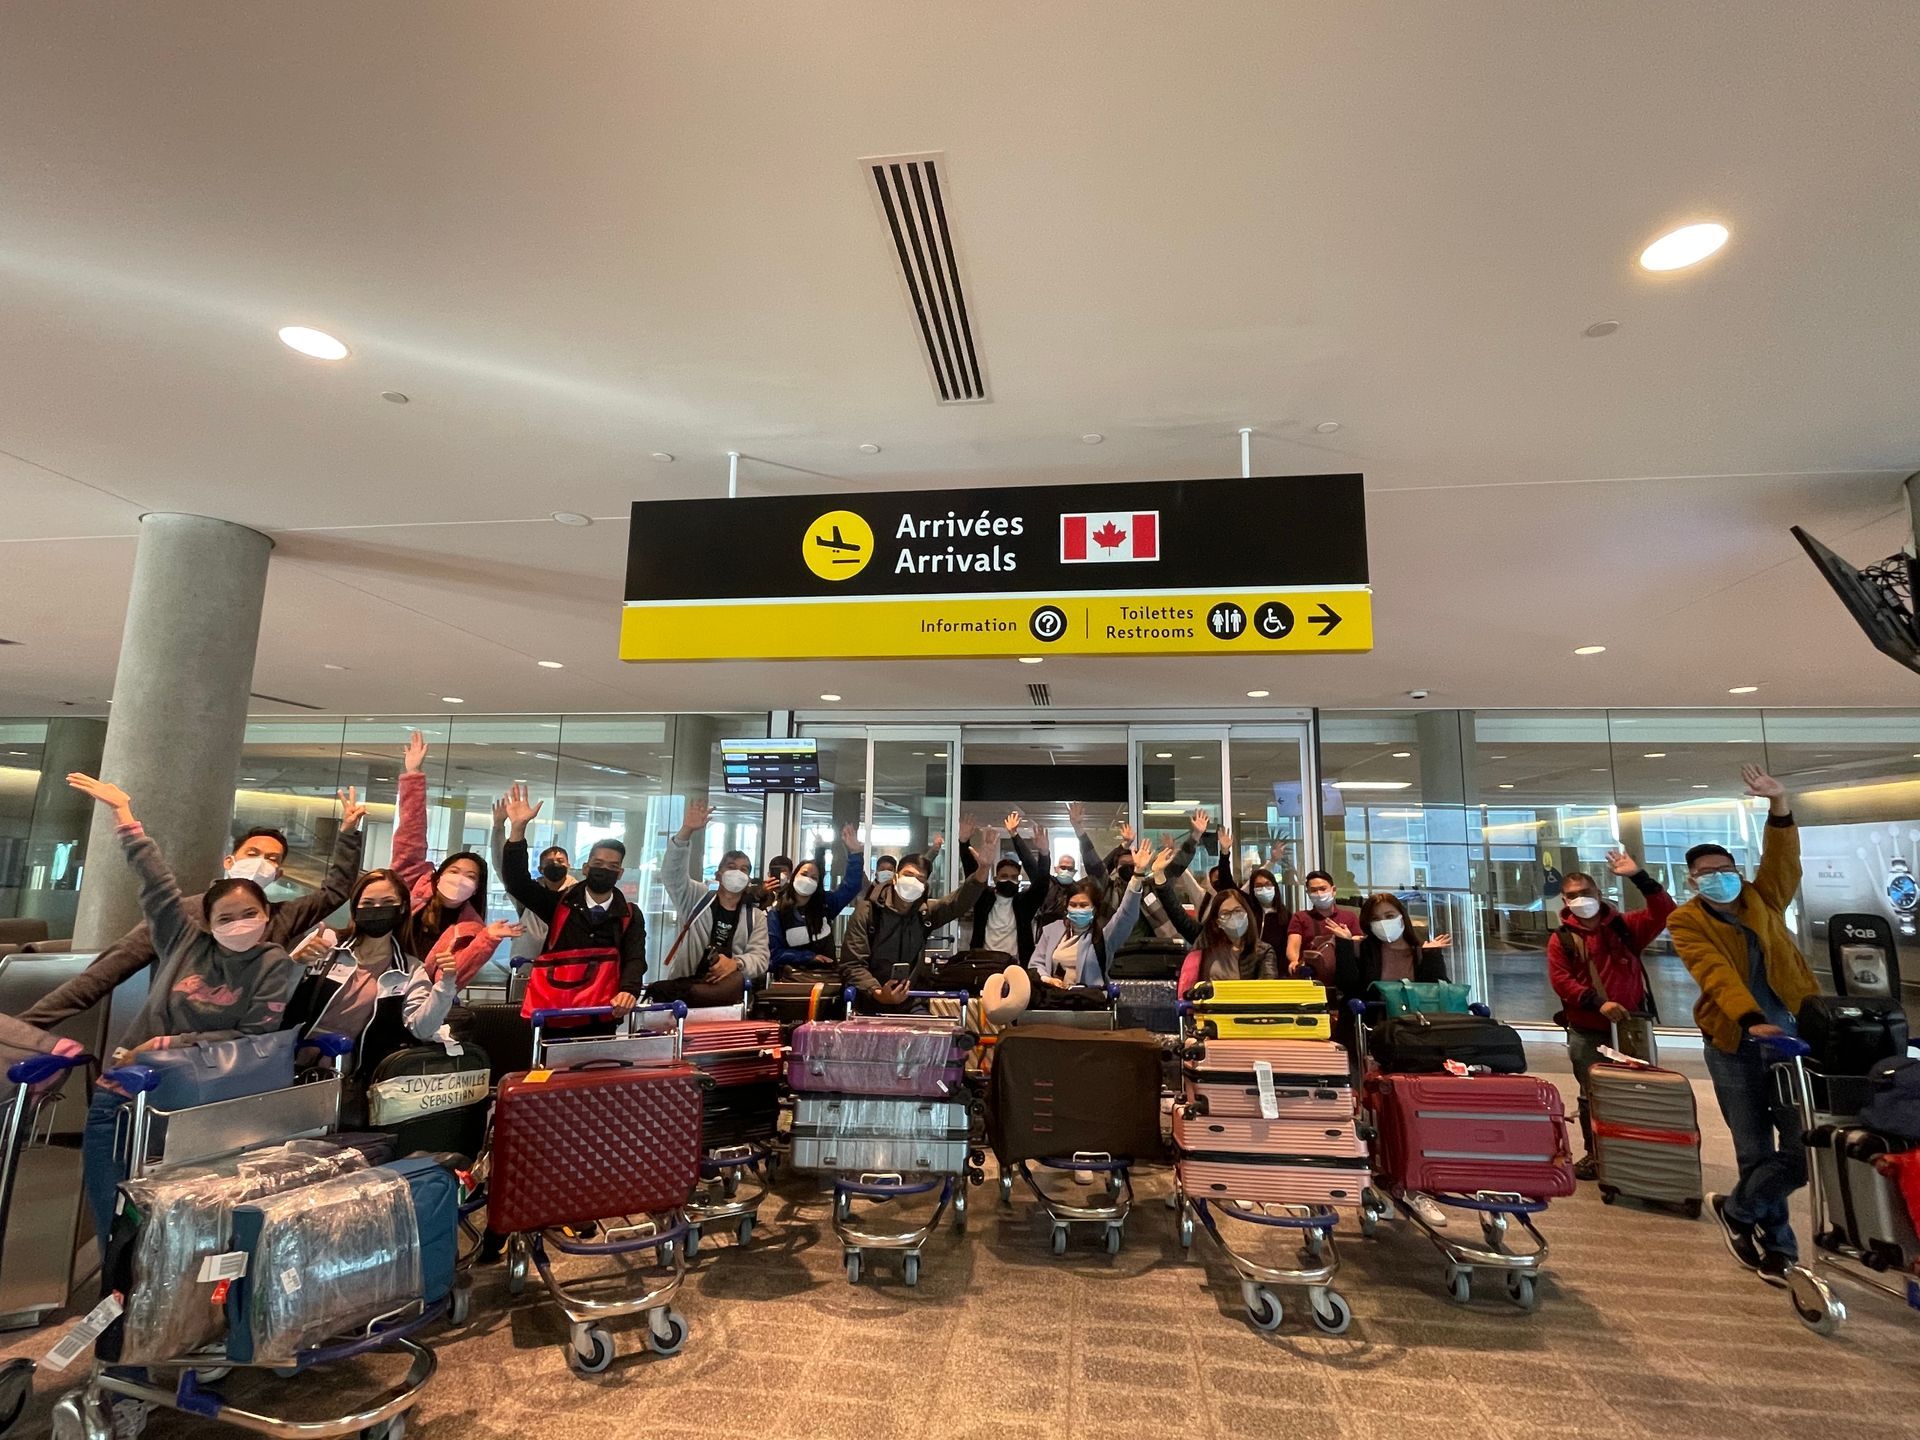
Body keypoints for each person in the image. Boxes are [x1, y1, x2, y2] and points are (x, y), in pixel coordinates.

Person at [65, 774, 300, 1244]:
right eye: (225, 918)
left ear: (268, 917)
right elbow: (156, 882)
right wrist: (124, 815)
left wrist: (166, 1045)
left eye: (249, 915)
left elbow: (254, 1035)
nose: (239, 925)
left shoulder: (274, 964)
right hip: (131, 1088)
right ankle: (117, 1275)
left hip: (208, 1098)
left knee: (182, 1211)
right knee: (114, 1200)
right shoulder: (182, 941)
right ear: (207, 923)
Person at [18, 792, 366, 1032]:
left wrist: (348, 835)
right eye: (253, 852)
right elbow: (105, 972)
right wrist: (26, 1026)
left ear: (279, 874)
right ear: (229, 861)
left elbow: (334, 891)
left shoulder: (281, 916)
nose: (261, 862)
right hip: (168, 1042)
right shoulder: (183, 916)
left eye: (273, 859)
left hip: (241, 1044)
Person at [1669, 766, 1815, 1281]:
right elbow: (1714, 973)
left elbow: (1784, 861)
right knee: (1754, 1147)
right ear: (1692, 881)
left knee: (1801, 1150)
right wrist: (1751, 1019)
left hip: (1794, 1041)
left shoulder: (1763, 897)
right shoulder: (1686, 921)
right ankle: (1779, 1246)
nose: (1719, 877)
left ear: (1737, 869)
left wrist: (1779, 805)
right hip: (1734, 1041)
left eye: (1725, 868)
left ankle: (1737, 1210)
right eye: (1707, 873)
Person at [284, 869, 518, 1087]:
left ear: (402, 908)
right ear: (355, 909)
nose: (377, 909)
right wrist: (295, 963)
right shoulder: (326, 947)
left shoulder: (409, 969)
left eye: (387, 903)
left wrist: (446, 984)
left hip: (354, 1079)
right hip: (287, 1065)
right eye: (367, 903)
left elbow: (422, 1028)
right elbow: (277, 1001)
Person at [1546, 849, 1675, 1179]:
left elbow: (1664, 912)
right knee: (1593, 1091)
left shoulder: (1625, 926)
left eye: (1585, 893)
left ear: (1598, 893)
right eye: (1572, 896)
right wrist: (1595, 1002)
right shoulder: (1561, 939)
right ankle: (1596, 1154)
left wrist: (1638, 876)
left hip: (1632, 1028)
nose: (1579, 900)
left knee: (1637, 1089)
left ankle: (1634, 1148)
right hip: (1588, 1028)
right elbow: (1562, 980)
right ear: (1564, 899)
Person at [498, 783, 648, 1022]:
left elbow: (634, 957)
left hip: (603, 1011)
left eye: (612, 867)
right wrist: (517, 830)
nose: (604, 870)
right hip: (556, 1008)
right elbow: (518, 884)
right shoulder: (560, 905)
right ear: (586, 868)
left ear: (620, 873)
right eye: (597, 865)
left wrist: (628, 990)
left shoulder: (629, 914)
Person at [839, 837, 994, 1007]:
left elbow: (956, 903)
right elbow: (852, 963)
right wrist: (877, 992)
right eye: (908, 875)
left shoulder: (924, 913)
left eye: (920, 879)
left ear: (925, 886)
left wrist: (983, 870)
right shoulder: (867, 911)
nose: (913, 882)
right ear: (895, 878)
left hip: (911, 1001)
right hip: (867, 1003)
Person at [391, 730, 489, 952]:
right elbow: (411, 837)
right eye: (454, 871)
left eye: (470, 876)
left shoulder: (472, 929)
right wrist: (413, 774)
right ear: (439, 875)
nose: (459, 879)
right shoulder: (413, 888)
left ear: (476, 889)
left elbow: (462, 972)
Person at [661, 800, 771, 992]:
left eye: (744, 870)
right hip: (687, 987)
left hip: (727, 994)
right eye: (731, 867)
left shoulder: (755, 917)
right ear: (718, 874)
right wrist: (685, 831)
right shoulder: (696, 897)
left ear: (748, 879)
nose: (738, 872)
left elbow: (761, 959)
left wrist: (736, 963)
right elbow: (673, 874)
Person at [1027, 842, 1152, 990]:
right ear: (1066, 907)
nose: (1078, 909)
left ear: (1094, 909)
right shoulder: (1051, 931)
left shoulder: (1104, 935)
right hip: (1054, 1000)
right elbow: (1036, 964)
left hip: (1089, 1002)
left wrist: (1137, 876)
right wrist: (1047, 979)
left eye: (1084, 905)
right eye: (1073, 905)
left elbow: (1126, 914)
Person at [770, 826, 866, 974]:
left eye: (814, 878)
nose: (808, 879)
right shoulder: (778, 910)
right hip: (792, 978)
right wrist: (809, 957)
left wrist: (856, 854)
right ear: (794, 876)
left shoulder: (825, 904)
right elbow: (774, 953)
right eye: (804, 874)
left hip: (827, 976)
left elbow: (851, 886)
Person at [489, 794, 569, 970]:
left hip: (563, 972)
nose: (555, 865)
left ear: (569, 865)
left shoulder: (577, 896)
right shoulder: (527, 895)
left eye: (560, 861)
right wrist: (499, 827)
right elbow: (503, 867)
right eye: (549, 862)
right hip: (526, 970)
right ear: (540, 868)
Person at [963, 812, 1053, 964]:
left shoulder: (1024, 903)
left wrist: (1043, 854)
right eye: (1004, 876)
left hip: (1016, 965)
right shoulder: (983, 898)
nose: (1008, 881)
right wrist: (963, 842)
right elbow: (972, 875)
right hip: (983, 964)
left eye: (1013, 877)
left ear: (1018, 880)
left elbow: (1042, 883)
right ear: (996, 878)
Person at [1329, 893, 1452, 999]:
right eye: (1375, 919)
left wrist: (1432, 955)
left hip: (1414, 1022)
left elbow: (1438, 993)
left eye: (1389, 916)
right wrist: (1344, 944)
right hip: (1373, 1022)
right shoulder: (1361, 948)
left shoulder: (1420, 952)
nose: (1383, 923)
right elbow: (1346, 986)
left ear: (1402, 917)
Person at [1167, 886, 1281, 997]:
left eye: (1238, 911)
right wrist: (1161, 883)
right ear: (1218, 922)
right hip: (1209, 1013)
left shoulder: (1264, 951)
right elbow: (1178, 916)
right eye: (1225, 913)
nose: (1233, 917)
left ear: (1247, 913)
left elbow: (1268, 988)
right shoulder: (1206, 943)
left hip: (1247, 1013)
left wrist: (1218, 990)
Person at [1285, 870, 1361, 984]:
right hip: (1310, 976)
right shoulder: (1300, 917)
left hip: (1344, 977)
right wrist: (1294, 961)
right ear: (1308, 893)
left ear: (1333, 890)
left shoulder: (1350, 916)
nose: (1319, 894)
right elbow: (1293, 944)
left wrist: (1347, 938)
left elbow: (1360, 943)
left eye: (1323, 888)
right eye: (1314, 890)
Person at [1244, 865, 1293, 959]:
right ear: (1252, 889)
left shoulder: (1286, 916)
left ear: (1275, 886)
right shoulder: (1247, 913)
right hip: (1250, 967)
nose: (1264, 889)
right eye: (1258, 886)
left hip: (1277, 969)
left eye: (1267, 884)